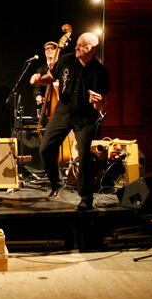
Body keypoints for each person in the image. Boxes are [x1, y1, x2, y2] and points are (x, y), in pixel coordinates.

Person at [30, 32, 109, 210]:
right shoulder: (66, 60)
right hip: (63, 112)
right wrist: (38, 81)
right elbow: (51, 77)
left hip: (85, 117)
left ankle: (86, 198)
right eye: (77, 44)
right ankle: (57, 184)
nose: (76, 47)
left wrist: (98, 103)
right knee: (45, 149)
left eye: (81, 46)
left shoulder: (101, 73)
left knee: (84, 156)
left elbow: (101, 105)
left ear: (92, 49)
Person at [32, 41, 59, 107]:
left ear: (57, 51)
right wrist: (38, 96)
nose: (49, 50)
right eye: (47, 48)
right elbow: (36, 88)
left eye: (52, 48)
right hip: (47, 104)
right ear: (45, 52)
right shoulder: (40, 69)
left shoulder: (60, 66)